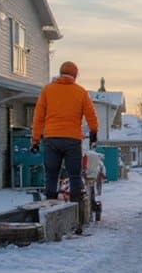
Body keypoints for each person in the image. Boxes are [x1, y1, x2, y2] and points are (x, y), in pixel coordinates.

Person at [31, 61, 99, 219]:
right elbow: (91, 115)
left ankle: (50, 213)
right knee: (75, 175)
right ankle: (77, 214)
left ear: (61, 73)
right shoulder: (80, 92)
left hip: (52, 140)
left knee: (51, 175)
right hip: (72, 140)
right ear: (75, 75)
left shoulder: (47, 90)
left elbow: (38, 117)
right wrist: (94, 133)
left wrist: (35, 140)